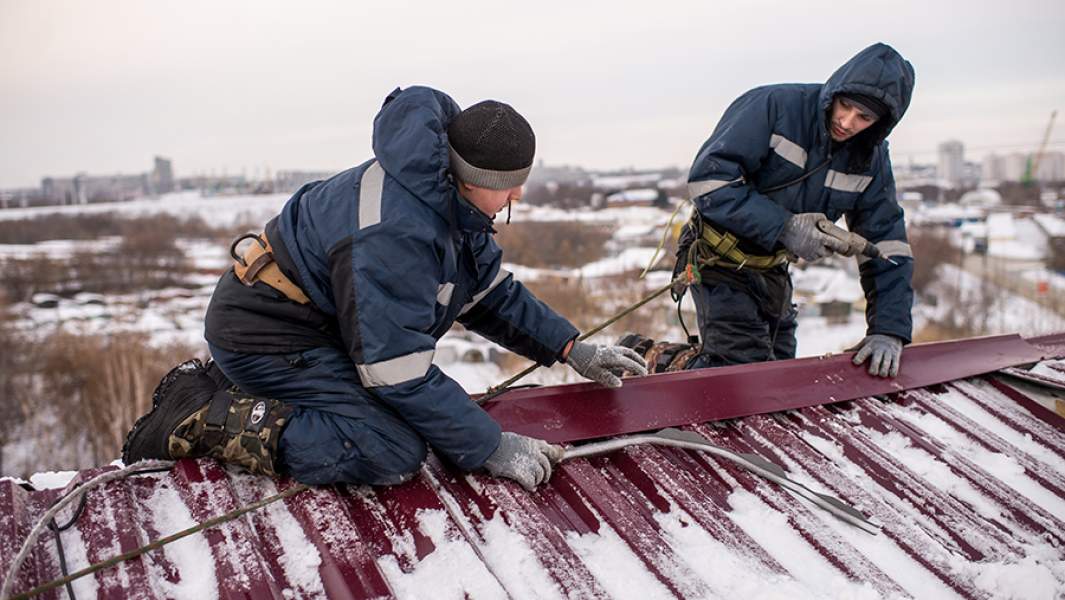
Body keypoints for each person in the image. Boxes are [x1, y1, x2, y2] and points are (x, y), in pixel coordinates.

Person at [124, 86, 647, 490]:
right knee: (390, 449)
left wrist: (572, 347)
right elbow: (396, 372)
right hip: (271, 337)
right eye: (510, 183)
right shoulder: (394, 233)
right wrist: (489, 447)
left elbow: (488, 294)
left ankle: (262, 392)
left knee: (415, 421)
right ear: (476, 179)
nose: (519, 193)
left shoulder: (443, 197)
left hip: (322, 329)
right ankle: (200, 414)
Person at [673, 43, 916, 378]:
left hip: (772, 268)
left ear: (881, 123)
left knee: (782, 368)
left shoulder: (870, 161)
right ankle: (658, 361)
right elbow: (708, 182)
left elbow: (887, 243)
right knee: (745, 372)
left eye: (864, 117)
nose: (846, 122)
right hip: (719, 257)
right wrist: (783, 227)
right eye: (845, 106)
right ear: (836, 91)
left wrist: (889, 328)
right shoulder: (773, 107)